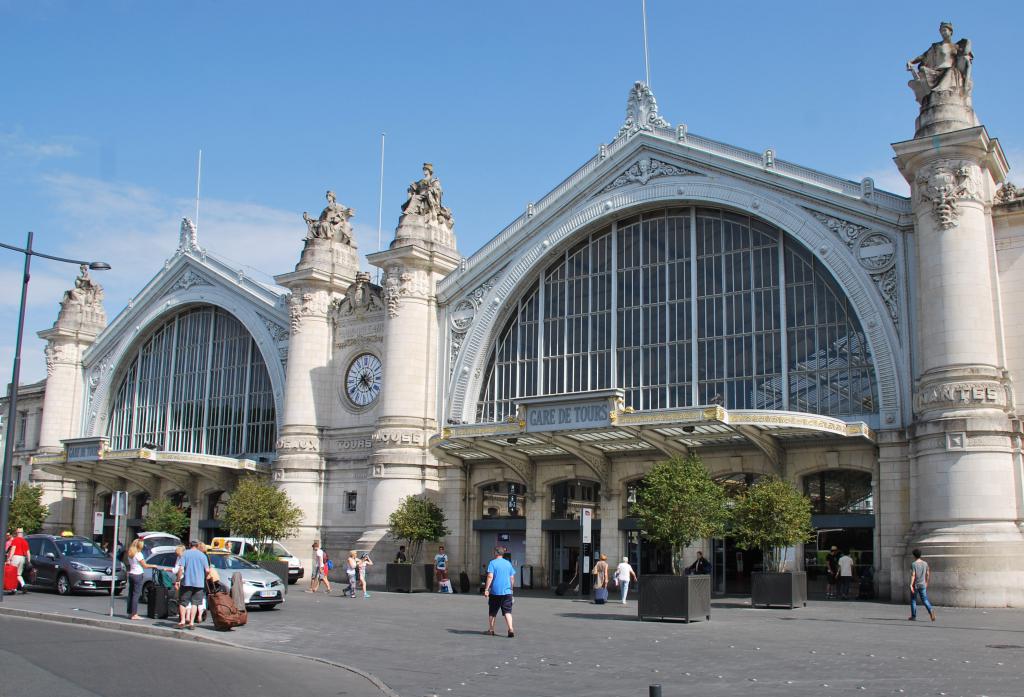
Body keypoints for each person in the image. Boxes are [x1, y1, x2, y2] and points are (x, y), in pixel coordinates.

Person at [176, 540, 211, 630]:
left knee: (183, 602)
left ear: (189, 545)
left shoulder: (185, 554)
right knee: (195, 603)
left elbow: (181, 568)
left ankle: (182, 621)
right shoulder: (202, 555)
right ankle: (191, 623)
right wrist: (206, 577)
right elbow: (207, 570)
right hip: (199, 583)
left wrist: (178, 580)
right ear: (197, 545)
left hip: (187, 582)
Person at [483, 546, 515, 637]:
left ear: (495, 553)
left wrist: (486, 589)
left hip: (495, 592)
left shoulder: (492, 563)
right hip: (507, 592)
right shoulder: (508, 563)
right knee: (507, 611)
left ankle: (491, 629)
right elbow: (512, 578)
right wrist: (511, 589)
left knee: (492, 611)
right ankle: (510, 629)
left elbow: (490, 576)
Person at [123, 538, 156, 620]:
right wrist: (153, 566)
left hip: (131, 574)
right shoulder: (139, 554)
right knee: (136, 595)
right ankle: (134, 614)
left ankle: (130, 612)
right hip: (138, 574)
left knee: (131, 594)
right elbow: (144, 565)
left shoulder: (130, 553)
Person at [909, 549, 937, 622]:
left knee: (913, 600)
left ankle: (913, 616)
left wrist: (911, 584)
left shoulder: (913, 564)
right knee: (925, 599)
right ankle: (930, 611)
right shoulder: (925, 563)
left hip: (916, 585)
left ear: (914, 556)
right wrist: (926, 582)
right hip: (923, 584)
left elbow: (913, 575)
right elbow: (928, 573)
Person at [6, 528, 31, 594]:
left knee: (13, 574)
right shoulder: (25, 541)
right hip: (22, 558)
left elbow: (13, 549)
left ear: (17, 533)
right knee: (18, 574)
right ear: (22, 533)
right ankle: (23, 585)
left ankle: (13, 589)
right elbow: (28, 553)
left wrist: (9, 558)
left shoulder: (15, 540)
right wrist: (28, 561)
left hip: (15, 557)